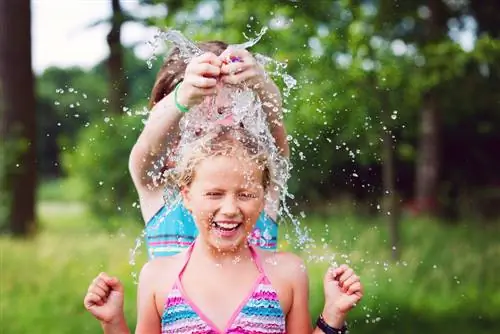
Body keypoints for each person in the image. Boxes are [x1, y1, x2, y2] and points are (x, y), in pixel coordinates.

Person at [84, 126, 363, 333]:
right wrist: (113, 322)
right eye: (214, 194)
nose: (230, 209)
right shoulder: (158, 277)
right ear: (187, 196)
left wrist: (333, 313)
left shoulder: (288, 273)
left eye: (245, 194)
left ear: (264, 197)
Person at [130, 41, 290, 258]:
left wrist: (263, 85)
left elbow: (274, 130)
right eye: (194, 113)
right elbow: (149, 146)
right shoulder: (160, 190)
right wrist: (183, 96)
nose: (212, 130)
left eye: (224, 114)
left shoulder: (260, 184)